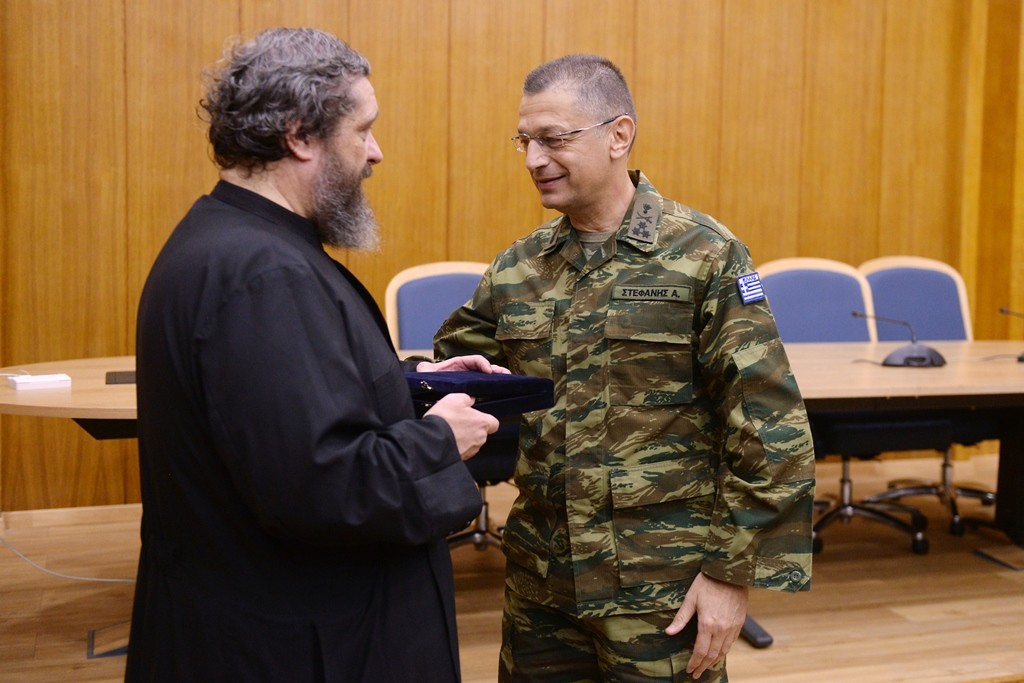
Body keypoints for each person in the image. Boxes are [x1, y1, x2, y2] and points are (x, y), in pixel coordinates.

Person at [126, 28, 505, 682]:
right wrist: (440, 439)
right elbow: (322, 485)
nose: (376, 152)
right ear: (300, 136)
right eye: (364, 130)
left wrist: (411, 385)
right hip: (294, 643)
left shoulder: (227, 241)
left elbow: (287, 412)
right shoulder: (264, 275)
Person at [434, 54, 816, 682]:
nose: (533, 159)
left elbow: (770, 427)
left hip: (660, 586)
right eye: (524, 140)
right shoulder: (519, 268)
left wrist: (729, 575)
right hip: (542, 584)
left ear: (619, 135)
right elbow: (449, 371)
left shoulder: (704, 255)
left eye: (554, 139)